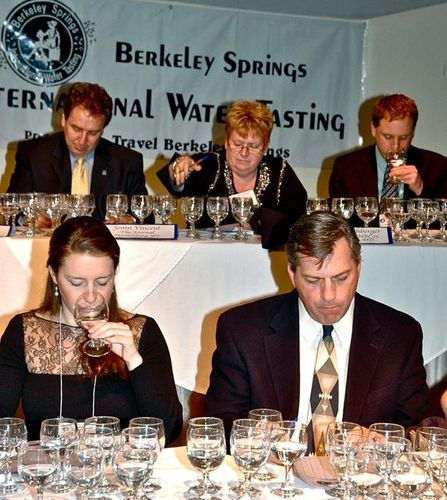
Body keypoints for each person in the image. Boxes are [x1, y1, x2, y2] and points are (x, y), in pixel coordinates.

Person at [205, 211, 428, 446]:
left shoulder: (400, 335)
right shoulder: (242, 331)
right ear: (292, 274)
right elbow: (220, 423)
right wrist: (252, 436)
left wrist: (379, 442)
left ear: (358, 268)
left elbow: (415, 431)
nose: (328, 295)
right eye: (313, 280)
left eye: (341, 278)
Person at [0, 216, 182, 442]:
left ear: (114, 275)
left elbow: (169, 430)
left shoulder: (141, 330)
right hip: (49, 461)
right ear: (54, 275)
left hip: (122, 462)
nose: (91, 296)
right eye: (76, 283)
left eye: (102, 282)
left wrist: (133, 360)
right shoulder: (25, 331)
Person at [157, 100, 308, 248]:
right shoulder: (210, 163)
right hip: (207, 255)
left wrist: (258, 224)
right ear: (226, 142)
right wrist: (177, 168)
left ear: (265, 147)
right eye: (237, 144)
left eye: (253, 146)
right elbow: (177, 184)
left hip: (265, 258)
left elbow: (299, 220)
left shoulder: (279, 171)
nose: (244, 152)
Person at [8, 82, 150, 222]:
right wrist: (29, 219)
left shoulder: (127, 162)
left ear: (102, 129)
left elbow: (145, 218)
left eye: (93, 133)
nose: (82, 141)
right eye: (76, 129)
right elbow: (12, 210)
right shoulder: (34, 155)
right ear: (63, 119)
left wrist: (130, 221)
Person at [329, 94, 447, 226]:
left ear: (413, 132)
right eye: (388, 137)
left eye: (404, 137)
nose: (396, 146)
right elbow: (339, 225)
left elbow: (442, 224)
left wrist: (421, 189)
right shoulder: (346, 167)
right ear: (373, 129)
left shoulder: (438, 167)